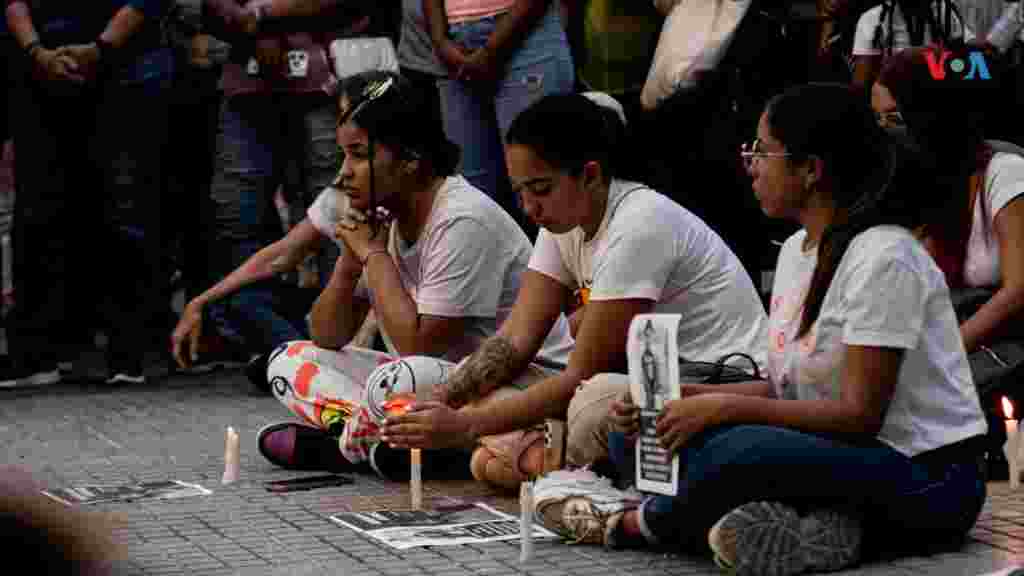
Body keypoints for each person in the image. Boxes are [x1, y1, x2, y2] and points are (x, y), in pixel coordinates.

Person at [528, 83, 987, 576]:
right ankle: (817, 530)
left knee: (736, 455)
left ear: (811, 169)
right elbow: (785, 386)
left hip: (925, 474)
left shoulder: (884, 256)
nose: (750, 164)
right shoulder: (795, 251)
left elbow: (859, 416)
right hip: (844, 455)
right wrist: (686, 397)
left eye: (762, 151)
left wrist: (722, 407)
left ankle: (634, 522)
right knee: (640, 435)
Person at [380, 93, 769, 490]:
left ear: (590, 175)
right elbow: (514, 341)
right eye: (520, 192)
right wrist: (442, 400)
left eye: (541, 189)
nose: (529, 207)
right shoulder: (561, 223)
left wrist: (463, 426)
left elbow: (583, 376)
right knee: (461, 383)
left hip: (715, 384)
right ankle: (543, 461)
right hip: (627, 384)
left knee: (591, 402)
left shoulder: (639, 222)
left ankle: (542, 461)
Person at [255, 70, 575, 478]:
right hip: (426, 383)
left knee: (396, 379)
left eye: (358, 155)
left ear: (409, 160)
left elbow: (416, 346)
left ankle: (381, 446)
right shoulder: (384, 217)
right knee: (288, 360)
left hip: (511, 386)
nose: (344, 174)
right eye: (343, 156)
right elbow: (326, 335)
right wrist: (350, 264)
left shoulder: (460, 218)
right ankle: (380, 446)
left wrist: (372, 254)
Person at [5, 0, 175, 385]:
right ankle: (38, 353)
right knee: (39, 213)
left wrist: (101, 47)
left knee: (123, 211)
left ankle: (126, 352)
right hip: (38, 69)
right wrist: (37, 51)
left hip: (126, 69)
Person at [872, 46, 1024, 471]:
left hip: (1004, 348)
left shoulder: (1005, 171)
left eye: (896, 118)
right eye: (878, 121)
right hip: (957, 345)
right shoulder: (922, 183)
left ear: (930, 115)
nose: (886, 133)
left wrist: (945, 354)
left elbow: (1018, 289)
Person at [424, 0, 575, 229]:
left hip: (527, 30)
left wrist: (491, 50)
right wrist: (440, 41)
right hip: (454, 43)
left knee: (541, 189)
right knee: (472, 200)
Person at [851, 0, 973, 88]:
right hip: (893, 97)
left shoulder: (944, 11)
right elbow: (861, 84)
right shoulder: (874, 17)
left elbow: (965, 62)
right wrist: (902, 60)